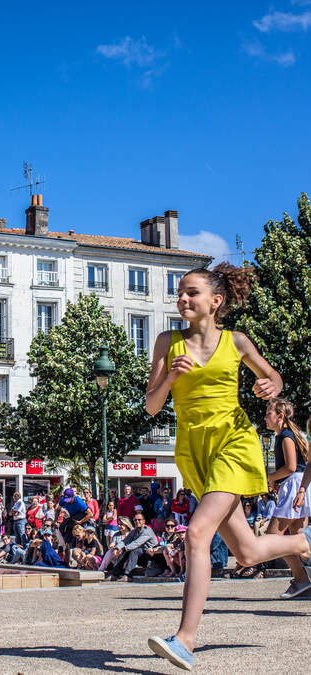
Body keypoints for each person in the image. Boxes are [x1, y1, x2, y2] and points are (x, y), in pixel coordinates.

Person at [145, 263, 311, 671]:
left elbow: (272, 375)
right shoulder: (168, 341)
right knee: (248, 551)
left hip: (233, 442)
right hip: (193, 449)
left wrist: (270, 385)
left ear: (215, 302)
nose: (183, 299)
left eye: (192, 293)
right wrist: (169, 380)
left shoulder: (236, 341)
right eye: (180, 293)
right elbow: (151, 406)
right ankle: (303, 543)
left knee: (197, 533)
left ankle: (185, 640)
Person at [264, 398, 311, 598]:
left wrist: (269, 478)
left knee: (273, 537)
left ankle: (301, 580)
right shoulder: (292, 434)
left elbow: (291, 467)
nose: (265, 417)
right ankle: (303, 580)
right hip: (299, 484)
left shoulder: (285, 436)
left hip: (294, 484)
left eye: (269, 413)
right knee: (299, 536)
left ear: (280, 416)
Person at [105, 512, 157, 582]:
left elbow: (136, 543)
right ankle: (114, 574)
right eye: (135, 520)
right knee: (125, 550)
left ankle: (127, 575)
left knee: (134, 550)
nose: (137, 521)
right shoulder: (134, 531)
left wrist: (123, 549)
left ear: (144, 521)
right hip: (142, 555)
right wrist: (117, 548)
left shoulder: (147, 531)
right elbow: (125, 541)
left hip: (152, 557)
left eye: (139, 520)